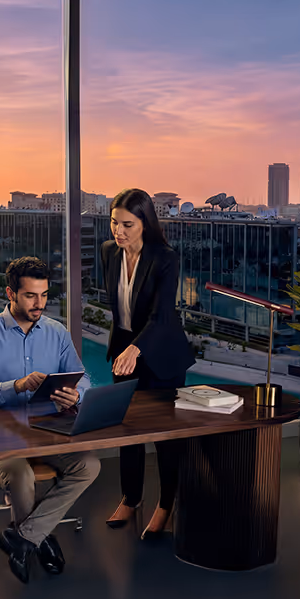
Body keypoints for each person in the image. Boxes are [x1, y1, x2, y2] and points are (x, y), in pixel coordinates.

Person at [0, 256, 100, 584]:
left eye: (45, 295)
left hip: (48, 429)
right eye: (30, 296)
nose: (40, 304)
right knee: (21, 476)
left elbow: (84, 380)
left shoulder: (57, 333)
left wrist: (75, 395)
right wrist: (17, 386)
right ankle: (40, 539)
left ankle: (22, 539)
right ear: (10, 293)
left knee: (89, 466)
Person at [101, 189, 193, 539]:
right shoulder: (109, 252)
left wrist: (136, 349)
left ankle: (167, 504)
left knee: (164, 438)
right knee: (128, 431)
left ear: (145, 223)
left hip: (160, 354)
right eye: (114, 222)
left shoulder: (164, 257)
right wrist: (124, 348)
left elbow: (161, 316)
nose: (118, 231)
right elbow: (120, 310)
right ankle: (131, 497)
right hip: (124, 351)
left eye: (127, 224)